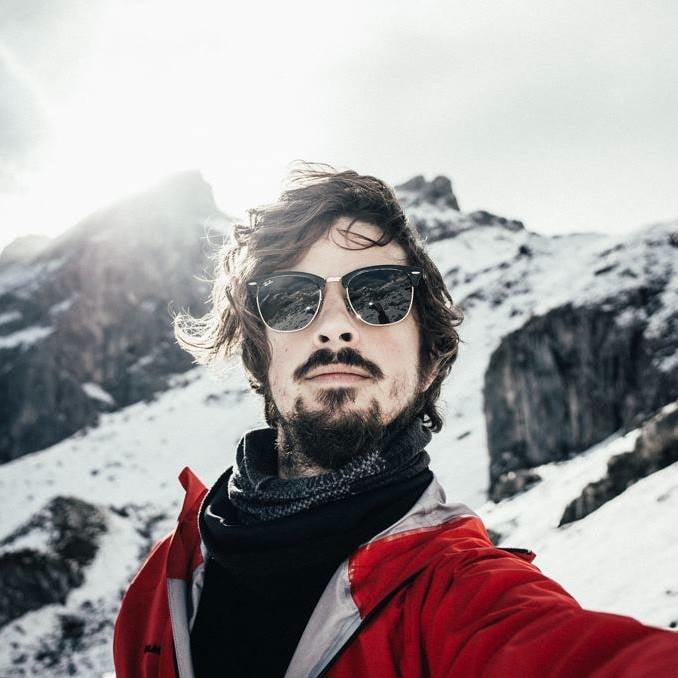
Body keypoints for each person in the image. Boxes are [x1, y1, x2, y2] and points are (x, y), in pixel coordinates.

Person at [113, 164, 678, 677]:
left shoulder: (463, 594)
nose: (334, 327)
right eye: (291, 299)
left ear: (430, 360)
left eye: (379, 296)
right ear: (261, 358)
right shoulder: (165, 582)